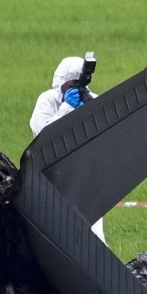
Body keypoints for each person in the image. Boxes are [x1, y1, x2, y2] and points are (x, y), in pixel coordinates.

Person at [30, 56, 105, 242]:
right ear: (62, 82)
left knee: (94, 236)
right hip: (53, 175)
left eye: (81, 85)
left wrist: (89, 113)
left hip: (85, 176)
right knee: (57, 235)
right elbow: (41, 135)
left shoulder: (92, 100)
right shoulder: (47, 101)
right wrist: (65, 109)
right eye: (72, 84)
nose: (78, 89)